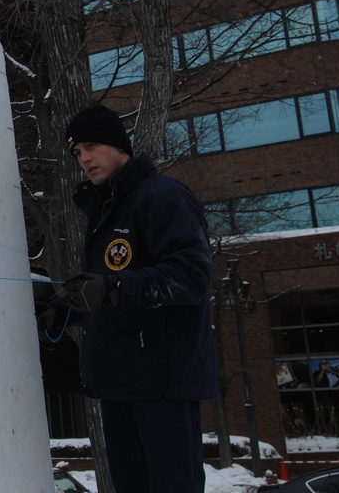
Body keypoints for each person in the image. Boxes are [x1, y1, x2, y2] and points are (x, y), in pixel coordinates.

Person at [37, 105, 217, 493]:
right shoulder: (105, 211)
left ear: (119, 146)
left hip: (162, 386)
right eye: (76, 152)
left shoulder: (163, 196)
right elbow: (109, 291)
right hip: (117, 383)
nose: (84, 158)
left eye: (91, 145)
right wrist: (66, 308)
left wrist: (113, 286)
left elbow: (192, 276)